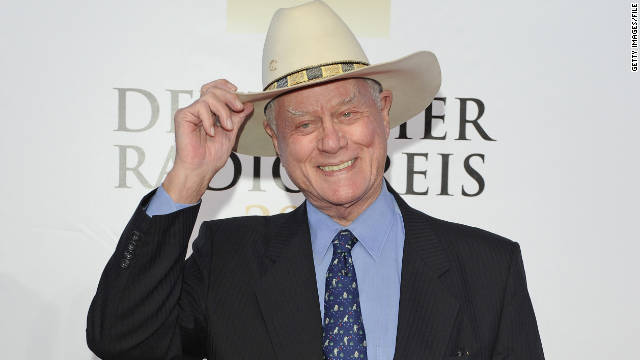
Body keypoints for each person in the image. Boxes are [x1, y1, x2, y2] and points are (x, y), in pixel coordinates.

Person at [87, 1, 544, 359]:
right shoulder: (227, 259)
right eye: (304, 124)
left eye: (348, 113)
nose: (331, 142)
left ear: (383, 112)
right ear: (275, 137)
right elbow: (123, 341)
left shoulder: (487, 269)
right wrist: (188, 176)